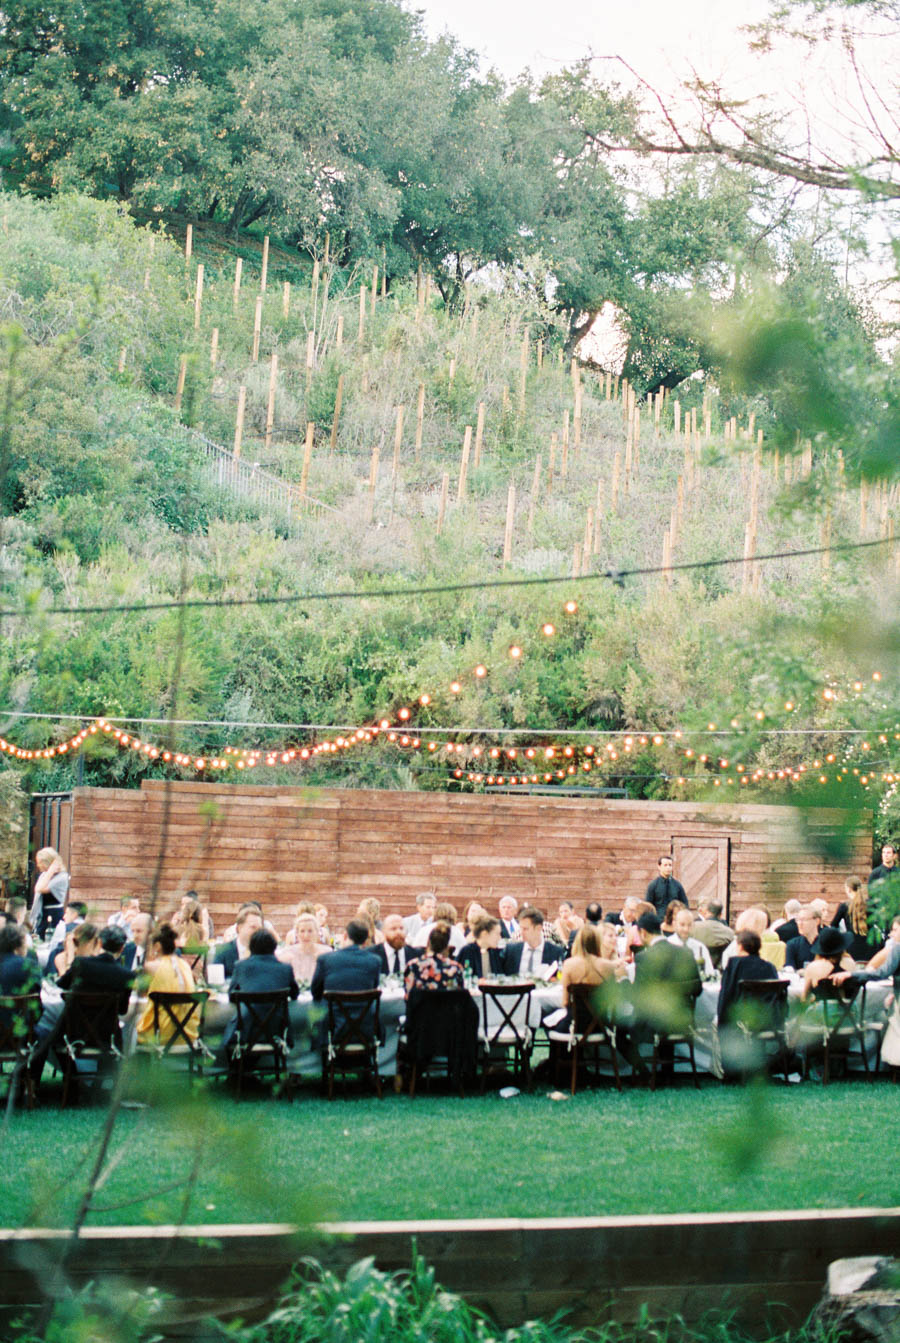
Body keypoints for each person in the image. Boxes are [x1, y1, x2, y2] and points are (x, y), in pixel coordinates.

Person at [136, 924, 204, 1044]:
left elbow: (140, 993)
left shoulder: (151, 967)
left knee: (134, 1021)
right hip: (188, 1033)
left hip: (161, 1032)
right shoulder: (185, 966)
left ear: (157, 946)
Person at [716, 930, 779, 1027]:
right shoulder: (769, 967)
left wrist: (722, 1023)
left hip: (740, 1020)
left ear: (740, 946)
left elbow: (726, 994)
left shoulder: (735, 965)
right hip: (769, 1019)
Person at [311, 919, 382, 999]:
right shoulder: (375, 961)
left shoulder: (325, 959)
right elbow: (374, 988)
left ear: (345, 936)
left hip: (333, 1010)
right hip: (365, 1009)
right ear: (365, 941)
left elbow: (315, 992)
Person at [229, 929, 300, 999]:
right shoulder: (286, 968)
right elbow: (294, 994)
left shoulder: (240, 966)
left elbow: (231, 995)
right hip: (278, 1010)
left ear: (251, 947)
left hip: (248, 1010)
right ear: (274, 946)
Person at [831, 876, 884, 963]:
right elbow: (879, 924)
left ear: (848, 889)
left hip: (852, 949)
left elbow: (833, 926)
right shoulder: (871, 904)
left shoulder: (844, 906)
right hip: (871, 948)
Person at [502, 906, 566, 976]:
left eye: (525, 929)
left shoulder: (555, 952)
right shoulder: (511, 951)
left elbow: (560, 978)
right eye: (520, 928)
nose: (521, 932)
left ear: (538, 928)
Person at [404, 923, 465, 994]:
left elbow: (407, 994)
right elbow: (460, 996)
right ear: (447, 946)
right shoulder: (456, 968)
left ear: (428, 942)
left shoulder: (413, 965)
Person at [799, 926, 855, 1001]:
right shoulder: (851, 963)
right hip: (850, 1009)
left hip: (822, 1010)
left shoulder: (813, 967)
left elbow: (804, 998)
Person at [277, 911, 329, 982]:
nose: (306, 935)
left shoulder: (326, 953)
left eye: (310, 931)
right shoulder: (287, 954)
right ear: (297, 933)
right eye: (302, 931)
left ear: (317, 932)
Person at [29, 847, 70, 937]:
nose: (38, 865)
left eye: (39, 862)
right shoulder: (44, 875)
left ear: (47, 862)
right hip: (42, 914)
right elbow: (37, 888)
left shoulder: (62, 877)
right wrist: (49, 872)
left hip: (54, 914)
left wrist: (51, 870)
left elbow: (40, 888)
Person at [213, 906, 263, 978]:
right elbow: (215, 981)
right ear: (239, 928)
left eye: (260, 928)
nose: (257, 932)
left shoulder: (265, 952)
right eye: (253, 927)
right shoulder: (223, 951)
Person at [667, 905, 715, 978]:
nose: (686, 929)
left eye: (689, 925)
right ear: (675, 924)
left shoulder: (700, 948)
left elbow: (709, 973)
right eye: (682, 925)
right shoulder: (666, 945)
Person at [371, 913, 419, 978]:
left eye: (401, 928)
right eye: (393, 929)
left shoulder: (415, 955)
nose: (398, 932)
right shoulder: (372, 955)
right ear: (383, 932)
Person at [692, 899, 735, 968]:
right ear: (721, 915)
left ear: (706, 912)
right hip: (719, 971)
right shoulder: (729, 933)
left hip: (697, 969)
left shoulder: (693, 928)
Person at [644, 855, 687, 920]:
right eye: (665, 865)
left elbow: (685, 904)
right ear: (659, 866)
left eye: (670, 865)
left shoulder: (677, 885)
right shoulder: (653, 885)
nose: (668, 867)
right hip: (658, 922)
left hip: (674, 921)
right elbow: (648, 906)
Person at [782, 905, 822, 973]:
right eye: (798, 920)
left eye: (804, 920)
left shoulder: (825, 943)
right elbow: (789, 969)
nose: (800, 923)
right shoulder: (792, 944)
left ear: (817, 921)